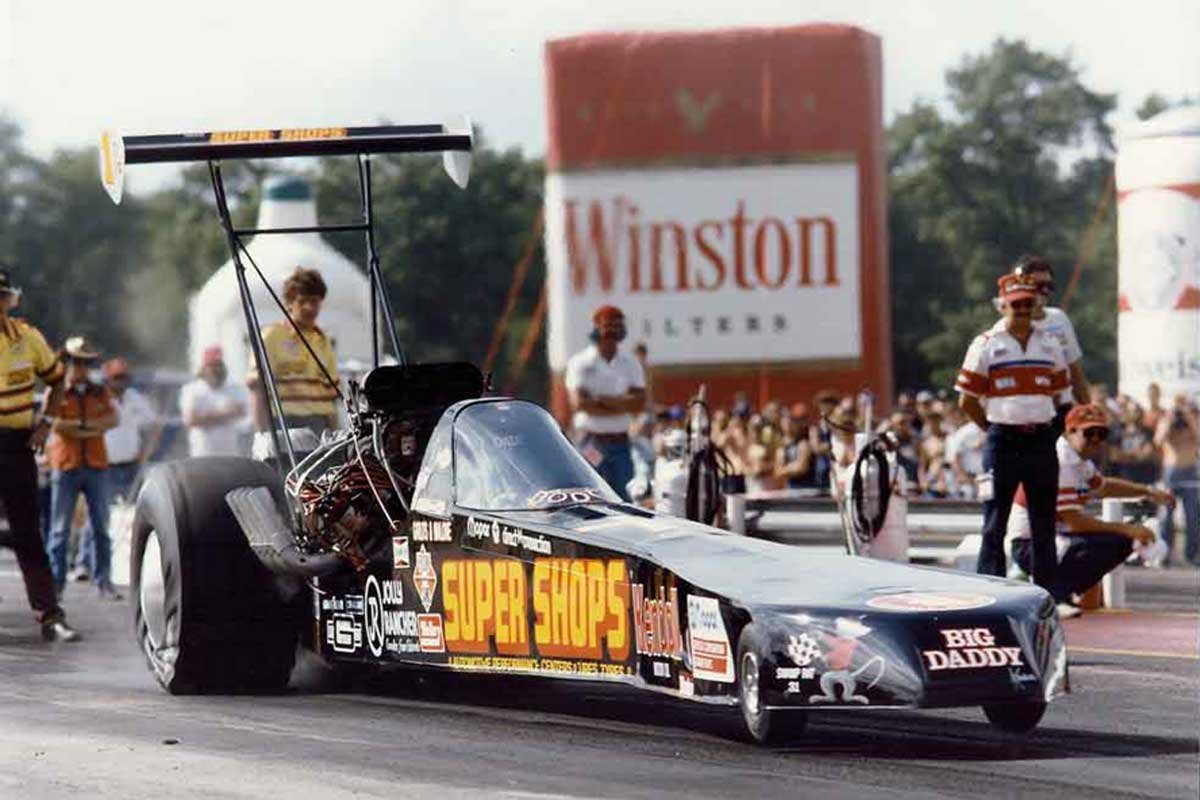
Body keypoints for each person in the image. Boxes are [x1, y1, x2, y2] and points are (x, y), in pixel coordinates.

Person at [958, 273, 1071, 606]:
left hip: (1041, 439)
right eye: (1015, 304)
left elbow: (1063, 398)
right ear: (1002, 305)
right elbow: (966, 400)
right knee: (994, 522)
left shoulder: (1050, 344)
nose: (1022, 310)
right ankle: (989, 594)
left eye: (1027, 304)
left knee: (1044, 522)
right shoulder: (986, 343)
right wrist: (992, 428)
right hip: (1002, 440)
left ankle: (1048, 597)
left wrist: (1051, 431)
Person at [1006, 404, 1174, 616]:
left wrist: (1147, 491)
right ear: (1070, 431)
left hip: (1052, 540)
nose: (1096, 439)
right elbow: (1075, 522)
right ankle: (1053, 596)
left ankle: (1061, 592)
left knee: (1120, 541)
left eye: (1101, 433)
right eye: (1089, 432)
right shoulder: (1062, 462)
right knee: (1116, 540)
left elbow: (1104, 486)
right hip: (1030, 545)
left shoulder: (1078, 461)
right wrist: (1128, 529)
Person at [0, 269, 79, 640]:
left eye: (1, 297)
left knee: (28, 532)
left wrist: (46, 423)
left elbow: (58, 379)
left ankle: (49, 615)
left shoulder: (27, 338)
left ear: (8, 300)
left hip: (17, 444)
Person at [71, 357, 158, 581]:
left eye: (123, 377)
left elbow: (153, 423)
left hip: (131, 466)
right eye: (116, 377)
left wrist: (145, 451)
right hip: (104, 466)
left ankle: (126, 566)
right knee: (98, 517)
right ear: (107, 379)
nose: (120, 381)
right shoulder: (98, 399)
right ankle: (84, 564)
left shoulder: (134, 398)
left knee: (135, 516)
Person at [46, 336, 120, 600]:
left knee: (101, 527)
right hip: (66, 465)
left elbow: (113, 419)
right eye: (77, 362)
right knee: (59, 530)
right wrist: (89, 427)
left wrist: (79, 427)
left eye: (86, 363)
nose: (81, 367)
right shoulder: (57, 390)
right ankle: (55, 586)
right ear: (67, 362)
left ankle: (104, 582)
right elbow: (55, 424)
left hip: (96, 465)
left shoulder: (100, 391)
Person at [564, 305, 646, 500]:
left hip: (621, 443)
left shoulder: (630, 362)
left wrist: (601, 400)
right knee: (591, 495)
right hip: (591, 443)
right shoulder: (581, 363)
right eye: (608, 325)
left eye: (617, 325)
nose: (612, 331)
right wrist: (622, 403)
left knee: (623, 497)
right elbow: (580, 404)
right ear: (596, 327)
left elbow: (639, 403)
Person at [249, 266, 340, 435]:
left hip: (319, 423)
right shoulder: (271, 336)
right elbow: (257, 387)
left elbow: (331, 394)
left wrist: (335, 433)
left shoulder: (323, 340)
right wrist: (261, 434)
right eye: (302, 301)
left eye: (314, 301)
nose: (309, 307)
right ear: (289, 304)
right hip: (283, 422)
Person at [1009, 255, 1090, 406]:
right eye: (1038, 286)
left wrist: (1088, 409)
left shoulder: (1059, 318)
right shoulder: (1006, 329)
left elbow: (1075, 372)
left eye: (1048, 286)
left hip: (1061, 408)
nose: (1045, 291)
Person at [180, 346, 248, 457]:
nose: (216, 370)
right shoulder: (192, 390)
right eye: (212, 366)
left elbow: (241, 412)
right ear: (204, 368)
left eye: (218, 365)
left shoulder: (234, 388)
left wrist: (206, 418)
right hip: (203, 453)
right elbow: (191, 419)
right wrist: (225, 414)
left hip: (229, 453)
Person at [1155, 394, 1199, 564]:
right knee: (1167, 516)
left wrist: (1190, 419)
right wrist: (1169, 420)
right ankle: (1166, 553)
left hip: (1190, 472)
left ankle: (1192, 554)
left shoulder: (1194, 421)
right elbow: (1158, 441)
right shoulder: (1166, 420)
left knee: (1192, 516)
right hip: (1171, 472)